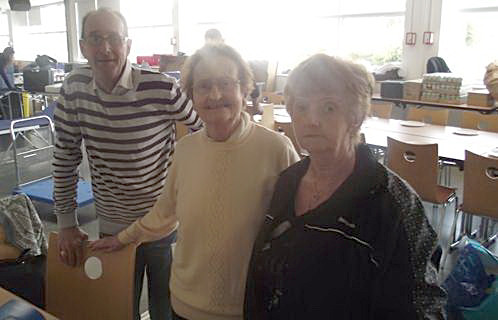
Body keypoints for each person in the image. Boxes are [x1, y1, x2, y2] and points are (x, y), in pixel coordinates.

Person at [90, 43, 300, 320]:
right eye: (203, 86)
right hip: (185, 302)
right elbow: (164, 213)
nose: (214, 95)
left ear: (244, 89)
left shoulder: (277, 149)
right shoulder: (186, 150)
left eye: (225, 83)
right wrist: (122, 238)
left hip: (246, 307)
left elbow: (298, 227)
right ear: (191, 96)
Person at [244, 54, 446, 319]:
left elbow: (423, 304)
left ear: (354, 117)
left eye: (328, 108)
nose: (311, 120)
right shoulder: (286, 183)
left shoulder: (391, 201)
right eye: (302, 107)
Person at [52, 7, 202, 320]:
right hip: (111, 224)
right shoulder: (73, 89)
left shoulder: (161, 87)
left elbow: (204, 129)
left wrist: (192, 190)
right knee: (119, 306)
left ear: (128, 45)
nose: (105, 47)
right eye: (95, 38)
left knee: (165, 306)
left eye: (113, 38)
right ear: (82, 46)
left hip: (160, 221)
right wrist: (66, 223)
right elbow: (65, 154)